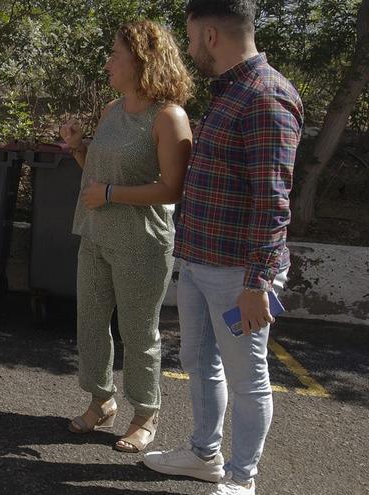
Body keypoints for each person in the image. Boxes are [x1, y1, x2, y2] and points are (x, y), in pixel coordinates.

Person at [142, 1, 303, 493]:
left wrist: (256, 284)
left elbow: (273, 203)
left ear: (210, 35)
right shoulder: (232, 92)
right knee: (198, 361)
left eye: (191, 39)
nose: (189, 50)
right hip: (198, 259)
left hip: (238, 275)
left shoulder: (266, 97)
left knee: (248, 379)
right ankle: (203, 454)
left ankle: (240, 479)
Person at [59, 20, 193, 453]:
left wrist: (112, 194)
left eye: (115, 54)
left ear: (141, 60)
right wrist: (80, 149)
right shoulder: (112, 110)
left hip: (143, 244)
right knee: (91, 326)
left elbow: (173, 188)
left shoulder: (169, 117)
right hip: (96, 235)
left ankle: (145, 414)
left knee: (139, 333)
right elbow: (99, 178)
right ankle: (101, 401)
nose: (108, 61)